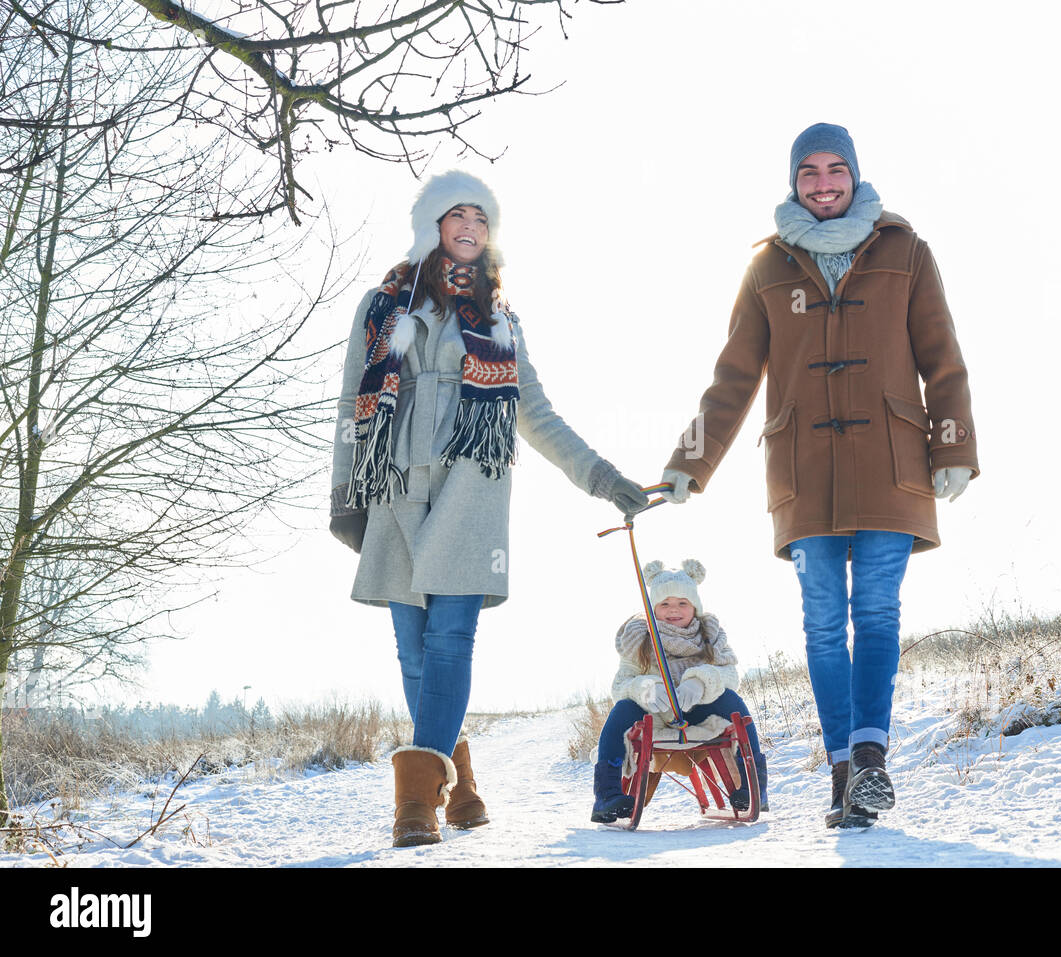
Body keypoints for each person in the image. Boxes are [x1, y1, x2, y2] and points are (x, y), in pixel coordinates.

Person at [659, 123, 979, 828]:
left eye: (837, 168)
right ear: (794, 181)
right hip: (802, 471)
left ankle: (870, 757)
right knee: (824, 624)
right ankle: (843, 772)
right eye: (810, 171)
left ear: (856, 175)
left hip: (894, 464)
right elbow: (734, 376)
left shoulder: (905, 249)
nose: (825, 182)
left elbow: (943, 358)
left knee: (876, 611)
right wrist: (690, 461)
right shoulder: (767, 265)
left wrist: (953, 445)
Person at [329, 170, 649, 847]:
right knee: (412, 650)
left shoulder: (503, 321)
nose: (469, 225)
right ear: (432, 226)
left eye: (481, 216)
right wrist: (347, 497)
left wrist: (602, 475)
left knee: (451, 638)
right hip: (396, 488)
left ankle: (415, 804)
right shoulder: (380, 307)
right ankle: (458, 779)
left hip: (471, 494)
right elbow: (349, 411)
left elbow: (536, 412)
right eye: (457, 214)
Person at [591, 559, 768, 823]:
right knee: (620, 710)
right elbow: (621, 685)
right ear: (653, 608)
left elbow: (730, 675)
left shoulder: (710, 634)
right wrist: (645, 689)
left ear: (694, 606)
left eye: (682, 603)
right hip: (654, 714)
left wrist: (700, 682)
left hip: (698, 713)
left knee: (732, 701)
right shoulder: (638, 637)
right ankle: (607, 795)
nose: (673, 610)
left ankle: (754, 786)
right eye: (664, 604)